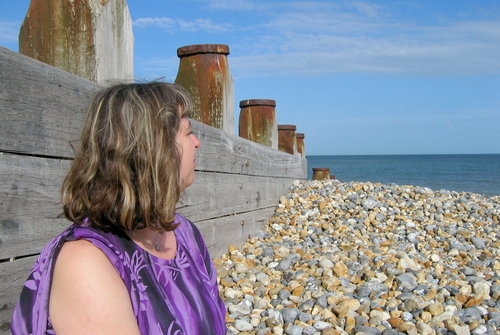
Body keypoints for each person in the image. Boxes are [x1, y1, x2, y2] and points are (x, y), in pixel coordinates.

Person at [11, 82, 227, 335]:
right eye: (188, 132)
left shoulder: (185, 234)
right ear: (153, 150)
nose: (197, 142)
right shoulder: (86, 264)